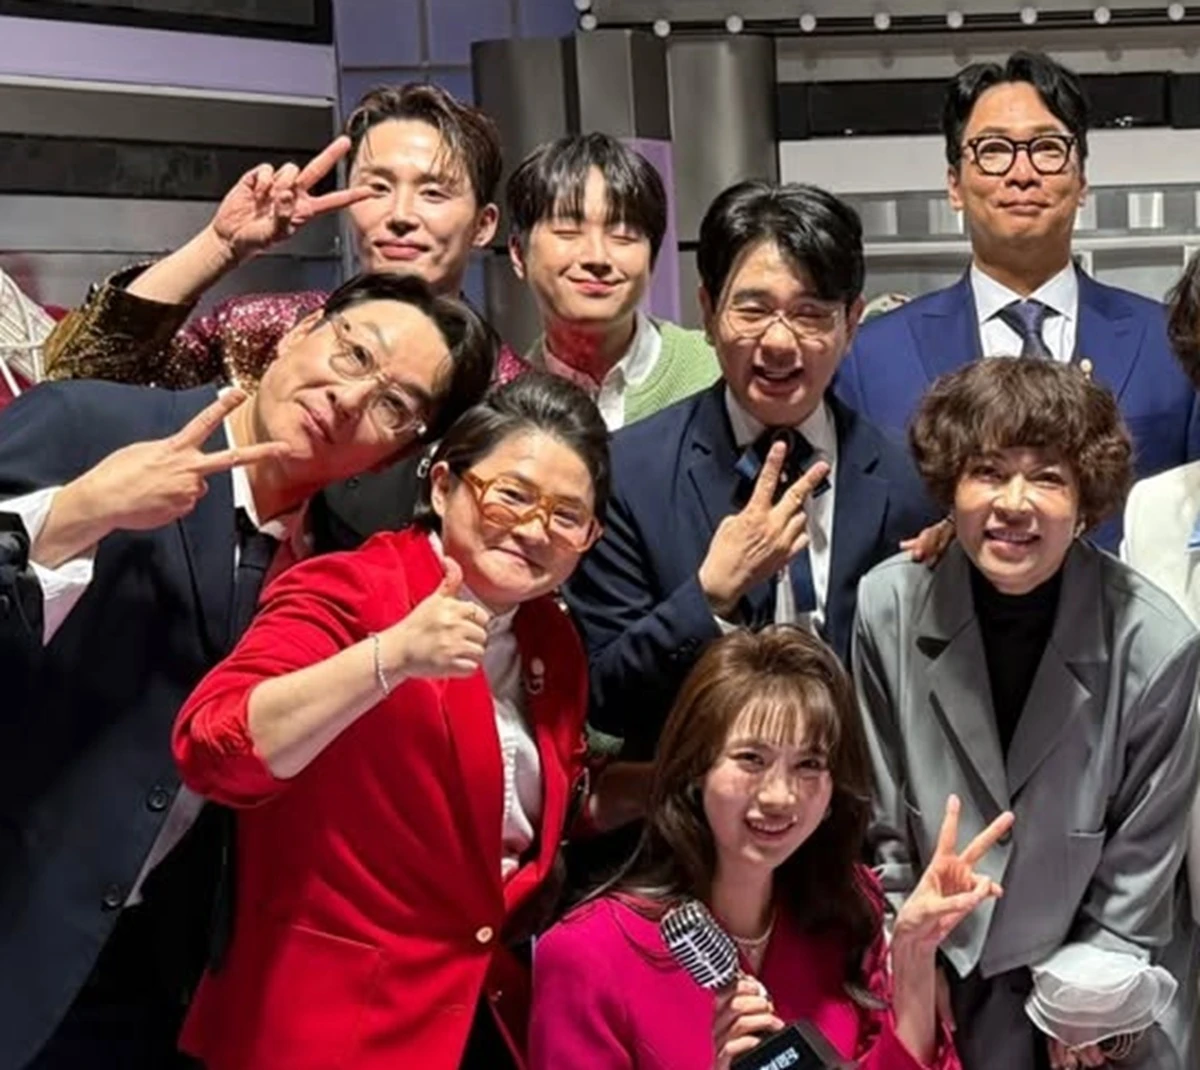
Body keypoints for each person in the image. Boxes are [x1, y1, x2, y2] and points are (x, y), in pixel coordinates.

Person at [0, 273, 495, 1070]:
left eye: (394, 404)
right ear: (298, 335)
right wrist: (75, 514)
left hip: (151, 976)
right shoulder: (91, 423)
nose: (348, 398)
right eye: (353, 353)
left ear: (403, 451)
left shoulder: (339, 570)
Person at [170, 374, 610, 1070]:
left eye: (567, 516)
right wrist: (391, 656)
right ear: (444, 485)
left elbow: (510, 818)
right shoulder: (349, 588)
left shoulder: (551, 640)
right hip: (321, 1023)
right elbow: (212, 748)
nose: (534, 530)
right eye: (512, 495)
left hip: (474, 1013)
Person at [853, 358, 1200, 1069]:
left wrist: (1083, 1009)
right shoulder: (887, 607)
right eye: (987, 471)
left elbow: (1138, 875)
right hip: (937, 986)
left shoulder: (1156, 642)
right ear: (950, 486)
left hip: (1097, 1007)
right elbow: (882, 826)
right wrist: (910, 959)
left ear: (1086, 500)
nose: (1014, 503)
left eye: (1047, 477)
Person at [41, 82, 526, 549]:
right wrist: (219, 247)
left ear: (484, 225)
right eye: (376, 187)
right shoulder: (266, 326)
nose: (400, 214)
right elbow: (79, 377)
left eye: (433, 193)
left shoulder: (508, 399)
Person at [566, 181, 939, 762]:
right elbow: (605, 697)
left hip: (859, 805)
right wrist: (709, 597)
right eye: (753, 309)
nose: (780, 341)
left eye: (811, 313)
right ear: (708, 312)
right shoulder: (627, 473)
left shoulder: (913, 479)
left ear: (851, 324)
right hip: (692, 807)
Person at [530, 626, 1009, 1069]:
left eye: (808, 765)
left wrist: (913, 957)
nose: (779, 796)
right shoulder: (586, 955)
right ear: (696, 769)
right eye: (751, 759)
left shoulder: (844, 910)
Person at [836, 51, 1200, 550]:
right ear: (954, 185)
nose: (1022, 172)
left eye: (1047, 148)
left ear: (1082, 182)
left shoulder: (1171, 344)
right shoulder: (869, 358)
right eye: (993, 150)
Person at [506, 133, 718, 428]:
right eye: (568, 231)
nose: (597, 257)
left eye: (623, 235)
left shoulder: (716, 373)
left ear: (653, 257)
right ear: (519, 254)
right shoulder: (505, 405)